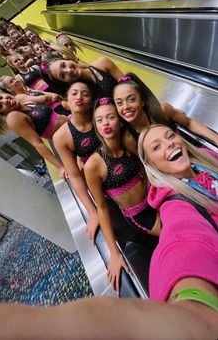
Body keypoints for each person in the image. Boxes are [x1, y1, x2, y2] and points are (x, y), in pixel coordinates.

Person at [84, 98, 160, 292]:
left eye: (111, 117)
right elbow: (102, 208)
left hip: (157, 200)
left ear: (120, 120)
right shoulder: (94, 165)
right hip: (142, 217)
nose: (106, 124)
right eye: (100, 120)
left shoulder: (130, 144)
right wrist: (114, 252)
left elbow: (148, 169)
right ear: (95, 126)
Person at [138, 124, 218, 302]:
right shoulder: (175, 205)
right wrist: (192, 300)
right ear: (150, 164)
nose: (169, 144)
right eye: (157, 147)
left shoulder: (209, 158)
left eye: (170, 136)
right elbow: (180, 243)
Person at [113, 73, 218, 147]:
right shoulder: (129, 138)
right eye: (119, 103)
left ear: (142, 101)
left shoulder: (162, 110)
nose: (125, 107)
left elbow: (189, 122)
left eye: (131, 99)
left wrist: (216, 138)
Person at [53, 81, 100, 243]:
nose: (79, 96)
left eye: (85, 93)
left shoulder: (102, 115)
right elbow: (75, 176)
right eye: (74, 93)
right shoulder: (62, 137)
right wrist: (92, 212)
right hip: (100, 177)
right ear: (66, 102)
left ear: (92, 101)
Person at [0, 92, 66, 178]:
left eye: (0, 97)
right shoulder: (13, 118)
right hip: (68, 139)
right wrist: (60, 167)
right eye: (0, 106)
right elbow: (38, 144)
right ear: (0, 114)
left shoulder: (24, 102)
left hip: (72, 124)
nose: (5, 101)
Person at [42, 56, 123, 99]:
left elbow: (130, 84)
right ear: (66, 82)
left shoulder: (102, 63)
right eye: (63, 75)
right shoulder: (82, 96)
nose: (68, 70)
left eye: (63, 65)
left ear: (68, 59)